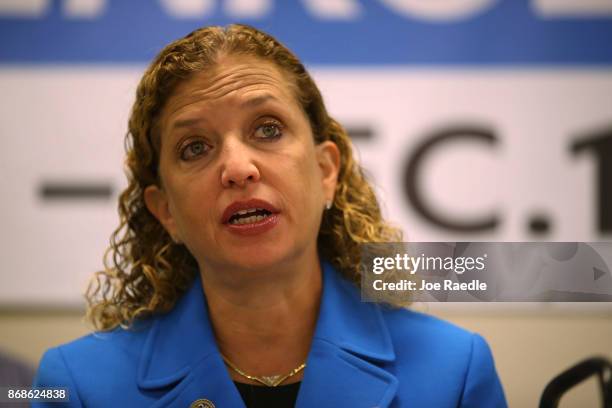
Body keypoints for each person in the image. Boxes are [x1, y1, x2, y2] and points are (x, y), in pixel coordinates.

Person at [33, 24, 507, 407]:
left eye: (267, 128)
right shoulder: (76, 388)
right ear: (166, 212)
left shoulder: (455, 372)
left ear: (325, 172)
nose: (238, 168)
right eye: (195, 147)